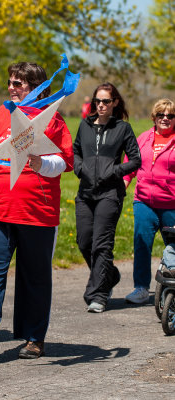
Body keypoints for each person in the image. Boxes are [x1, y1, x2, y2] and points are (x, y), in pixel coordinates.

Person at [0, 62, 74, 363]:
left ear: (36, 87)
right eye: (10, 82)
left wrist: (42, 165)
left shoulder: (53, 120)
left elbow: (63, 162)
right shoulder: (2, 112)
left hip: (37, 213)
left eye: (19, 84)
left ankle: (35, 338)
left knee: (34, 278)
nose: (12, 88)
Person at [73, 82, 141, 313]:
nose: (101, 105)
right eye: (98, 101)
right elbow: (75, 151)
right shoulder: (84, 125)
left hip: (110, 193)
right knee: (84, 241)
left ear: (115, 103)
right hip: (85, 192)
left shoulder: (123, 128)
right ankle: (109, 275)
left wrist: (113, 171)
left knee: (102, 244)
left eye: (105, 101)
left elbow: (135, 160)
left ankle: (98, 295)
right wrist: (80, 168)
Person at [124, 99, 175, 303]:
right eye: (161, 114)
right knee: (142, 243)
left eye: (170, 115)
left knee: (173, 247)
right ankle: (141, 288)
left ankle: (170, 289)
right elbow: (131, 163)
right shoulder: (144, 138)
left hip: (171, 203)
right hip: (144, 201)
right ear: (154, 117)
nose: (165, 118)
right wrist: (124, 183)